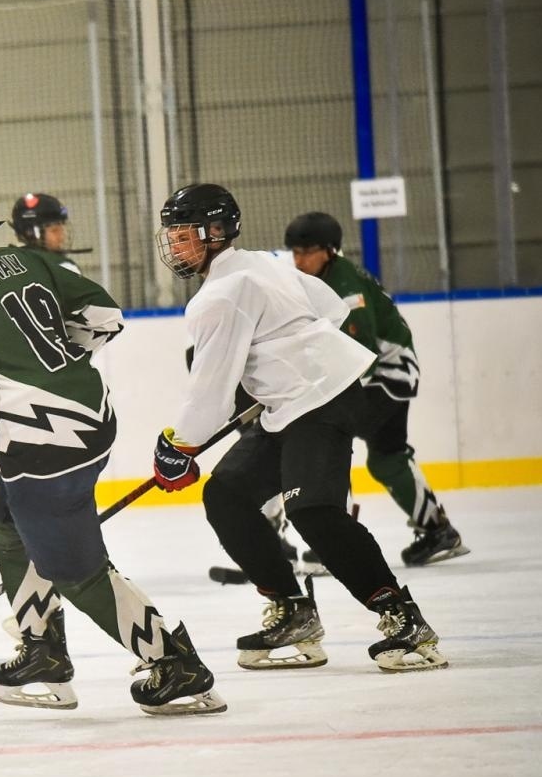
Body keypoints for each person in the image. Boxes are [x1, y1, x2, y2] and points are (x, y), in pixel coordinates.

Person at [0, 176, 224, 716]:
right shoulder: (34, 261)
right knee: (1, 523)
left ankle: (176, 664)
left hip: (45, 444)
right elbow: (104, 318)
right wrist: (45, 365)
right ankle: (42, 649)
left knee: (76, 571)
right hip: (92, 421)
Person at [152, 183, 447, 673]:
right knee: (226, 494)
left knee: (312, 510)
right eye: (173, 236)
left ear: (216, 232)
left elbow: (209, 395)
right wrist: (282, 359)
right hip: (294, 402)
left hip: (321, 399)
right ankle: (293, 611)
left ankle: (403, 620)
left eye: (184, 235)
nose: (175, 246)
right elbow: (328, 308)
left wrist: (176, 446)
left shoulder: (219, 296)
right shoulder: (262, 262)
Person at [284, 211, 469, 567]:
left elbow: (360, 353)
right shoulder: (323, 279)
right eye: (295, 251)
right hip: (392, 374)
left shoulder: (346, 288)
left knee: (329, 440)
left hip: (386, 375)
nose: (299, 259)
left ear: (329, 250)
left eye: (307, 251)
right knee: (387, 458)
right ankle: (437, 530)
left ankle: (333, 542)